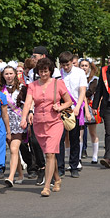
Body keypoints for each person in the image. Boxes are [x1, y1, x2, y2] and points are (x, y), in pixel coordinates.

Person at [20, 57, 72, 197]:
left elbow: (69, 102)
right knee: (50, 154)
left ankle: (47, 186)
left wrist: (60, 106)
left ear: (50, 71)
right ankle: (57, 179)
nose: (43, 74)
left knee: (49, 153)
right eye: (41, 71)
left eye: (46, 71)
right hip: (39, 123)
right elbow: (28, 103)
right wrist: (24, 118)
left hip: (55, 122)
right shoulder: (32, 86)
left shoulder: (58, 83)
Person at [57, 51, 88, 178]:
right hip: (61, 109)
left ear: (72, 62)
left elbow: (82, 91)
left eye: (68, 65)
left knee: (75, 138)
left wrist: (78, 107)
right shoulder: (58, 74)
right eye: (63, 65)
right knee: (60, 139)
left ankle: (74, 165)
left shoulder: (79, 73)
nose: (65, 67)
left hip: (75, 108)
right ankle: (60, 167)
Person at [1, 65, 25, 186]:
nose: (9, 76)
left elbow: (27, 105)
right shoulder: (0, 89)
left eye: (11, 73)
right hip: (5, 122)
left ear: (15, 74)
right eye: (6, 74)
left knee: (14, 149)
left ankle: (10, 177)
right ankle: (20, 174)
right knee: (13, 150)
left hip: (18, 121)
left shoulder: (22, 88)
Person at [79, 59, 100, 164]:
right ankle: (78, 157)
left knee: (92, 132)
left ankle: (95, 156)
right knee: (79, 134)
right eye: (82, 65)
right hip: (79, 107)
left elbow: (89, 92)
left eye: (86, 66)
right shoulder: (77, 78)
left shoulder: (94, 80)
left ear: (89, 67)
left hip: (90, 107)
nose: (84, 67)